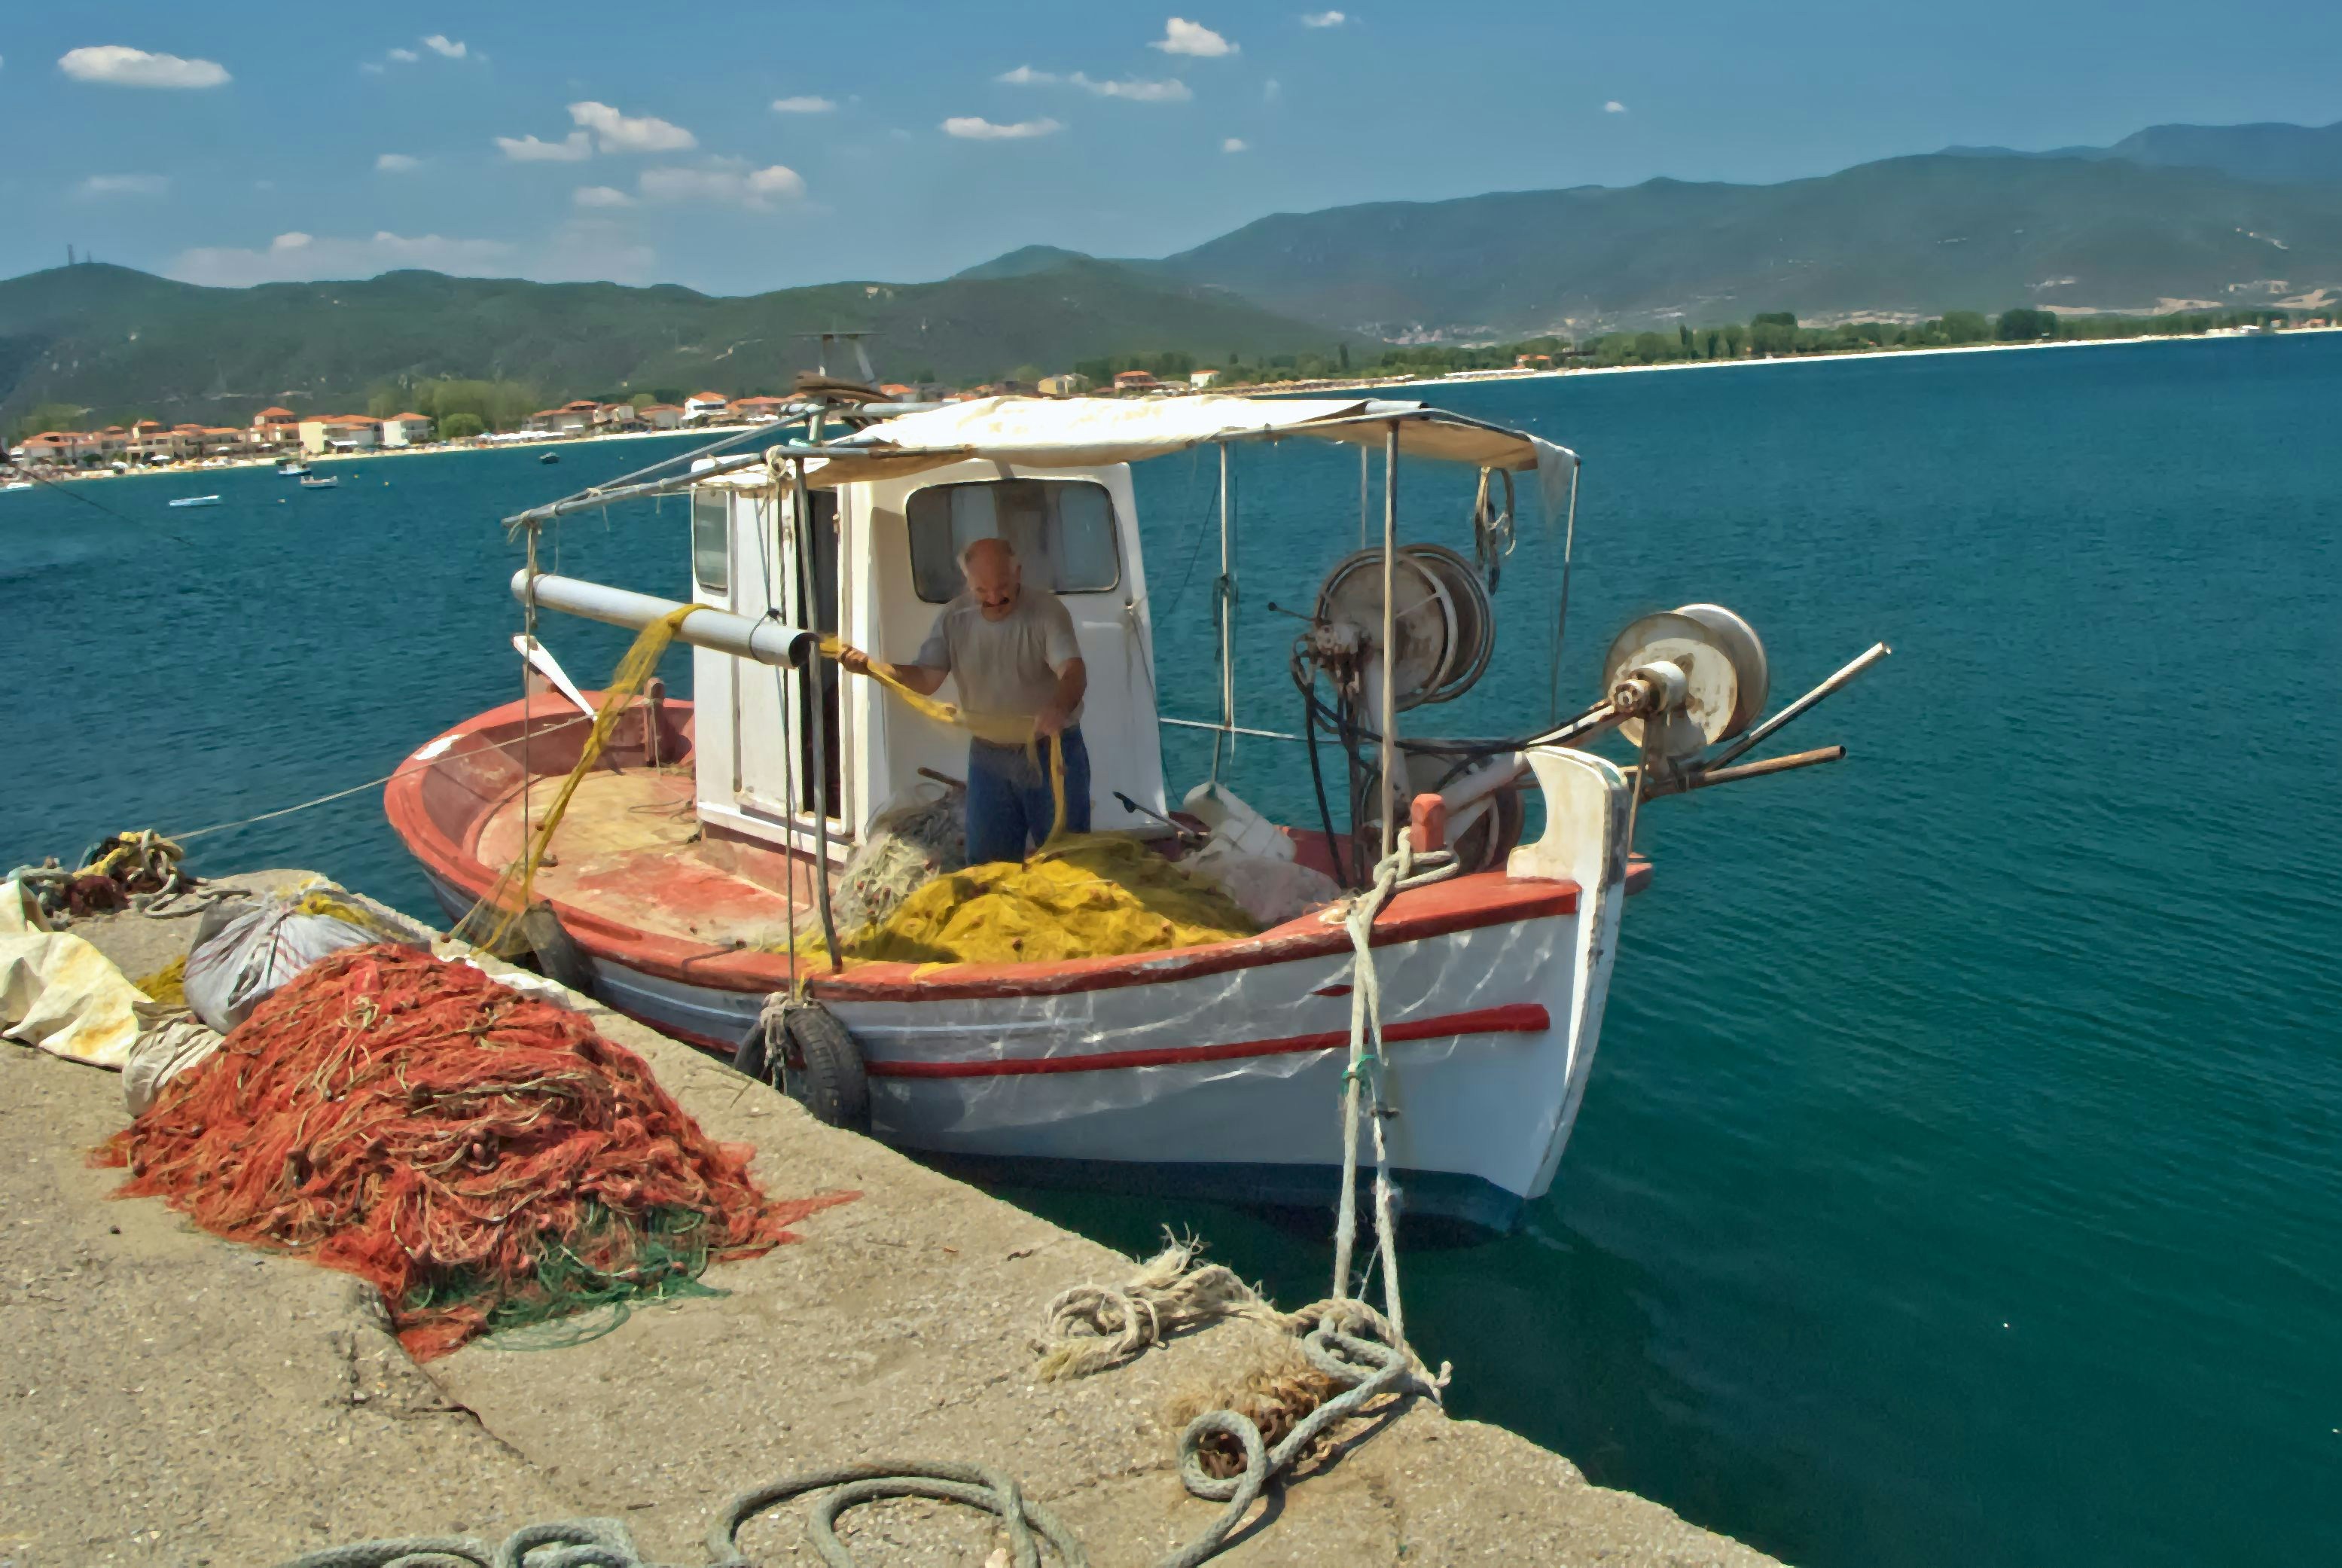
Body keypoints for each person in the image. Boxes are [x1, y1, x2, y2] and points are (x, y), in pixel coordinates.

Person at [836, 536, 1090, 863]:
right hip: (989, 759)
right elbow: (927, 679)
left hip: (1052, 752)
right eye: (983, 591)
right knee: (986, 866)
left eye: (1002, 587)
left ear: (1019, 573)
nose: (995, 598)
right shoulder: (953, 619)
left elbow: (1073, 671)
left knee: (1068, 862)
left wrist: (1059, 705)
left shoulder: (1047, 612)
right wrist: (873, 669)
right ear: (967, 583)